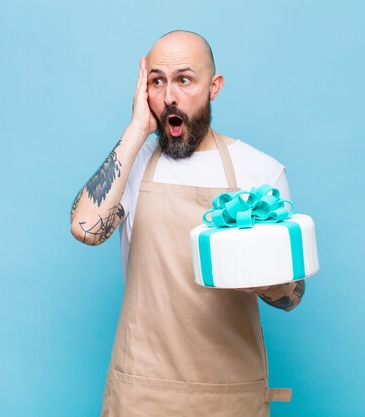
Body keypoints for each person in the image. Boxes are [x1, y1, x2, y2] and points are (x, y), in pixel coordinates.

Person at [70, 30, 305, 417]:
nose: (169, 96)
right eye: (156, 81)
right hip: (141, 390)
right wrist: (135, 130)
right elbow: (85, 227)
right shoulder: (134, 164)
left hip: (231, 394)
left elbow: (292, 296)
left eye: (184, 79)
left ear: (214, 87)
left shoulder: (259, 171)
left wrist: (267, 278)